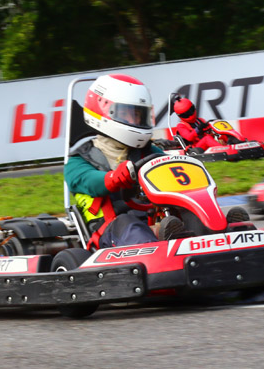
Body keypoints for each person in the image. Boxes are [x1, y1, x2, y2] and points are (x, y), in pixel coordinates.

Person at [64, 73, 187, 249]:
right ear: (105, 112)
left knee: (187, 215)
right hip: (111, 232)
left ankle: (220, 234)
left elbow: (171, 168)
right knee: (130, 225)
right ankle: (156, 251)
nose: (135, 120)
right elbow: (90, 181)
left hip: (153, 218)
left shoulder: (147, 151)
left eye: (139, 115)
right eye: (128, 114)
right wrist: (114, 178)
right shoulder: (78, 161)